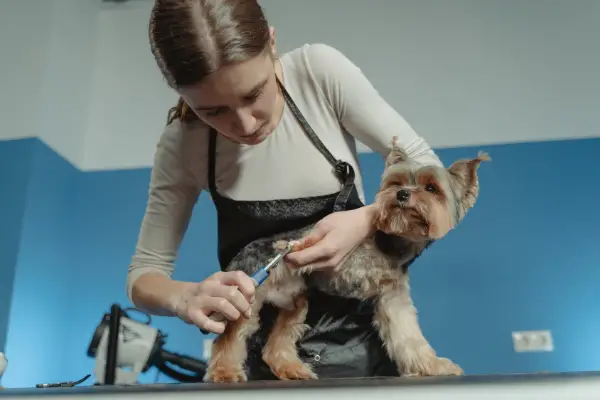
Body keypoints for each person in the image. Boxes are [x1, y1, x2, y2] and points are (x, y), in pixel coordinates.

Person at [128, 0, 443, 380]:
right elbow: (145, 274)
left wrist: (366, 220)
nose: (244, 124)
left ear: (272, 43)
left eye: (253, 94)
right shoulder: (183, 143)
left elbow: (433, 176)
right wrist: (182, 297)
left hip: (365, 360)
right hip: (256, 371)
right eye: (212, 111)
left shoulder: (319, 74)